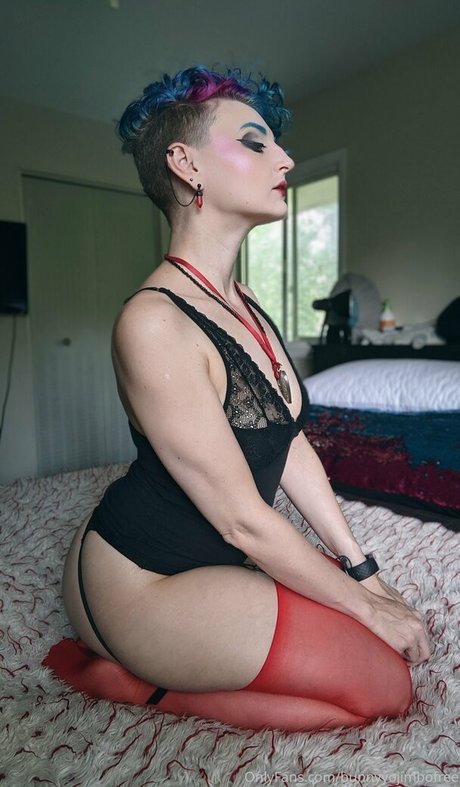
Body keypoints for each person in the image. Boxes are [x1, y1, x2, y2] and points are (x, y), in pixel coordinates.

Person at [44, 66, 430, 732]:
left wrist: (363, 569)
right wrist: (369, 609)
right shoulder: (153, 322)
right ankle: (133, 683)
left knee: (384, 665)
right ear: (186, 163)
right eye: (255, 142)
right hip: (142, 581)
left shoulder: (244, 300)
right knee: (386, 688)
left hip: (218, 556)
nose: (285, 158)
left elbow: (289, 443)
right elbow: (244, 522)